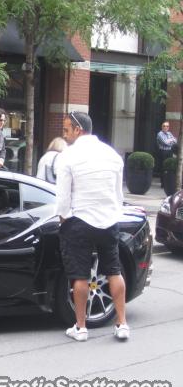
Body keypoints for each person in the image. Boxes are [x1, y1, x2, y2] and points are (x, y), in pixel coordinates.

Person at [55, 111, 129, 342]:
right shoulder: (112, 154)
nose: (65, 135)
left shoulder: (68, 156)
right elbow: (118, 194)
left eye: (67, 130)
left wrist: (63, 217)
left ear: (78, 129)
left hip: (80, 220)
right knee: (114, 270)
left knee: (79, 275)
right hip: (109, 219)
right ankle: (122, 323)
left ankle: (81, 327)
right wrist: (114, 213)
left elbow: (62, 196)